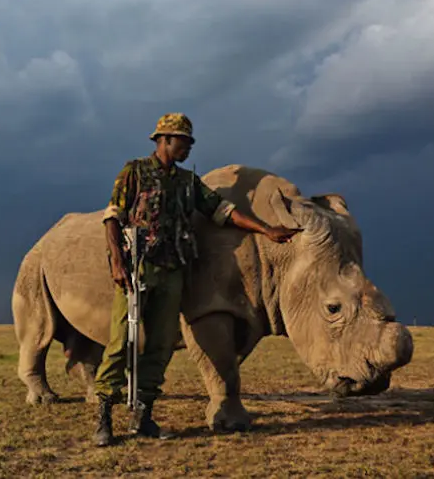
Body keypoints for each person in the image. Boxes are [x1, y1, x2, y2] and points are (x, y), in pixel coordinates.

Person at [93, 113, 298, 447]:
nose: (187, 148)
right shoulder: (134, 172)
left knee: (160, 347)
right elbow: (112, 217)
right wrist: (117, 261)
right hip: (138, 269)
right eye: (183, 141)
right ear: (164, 140)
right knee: (122, 342)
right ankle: (104, 418)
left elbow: (223, 211)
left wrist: (267, 229)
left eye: (189, 143)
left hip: (173, 272)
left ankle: (143, 418)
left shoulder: (189, 182)